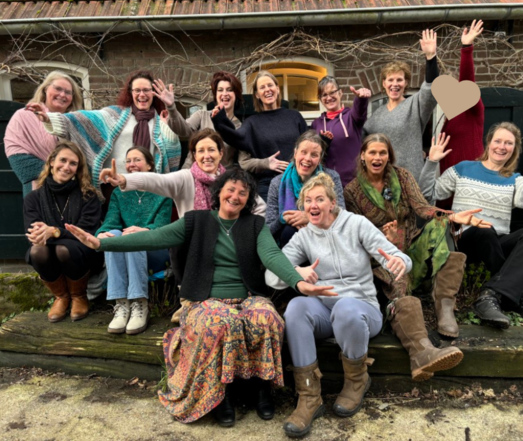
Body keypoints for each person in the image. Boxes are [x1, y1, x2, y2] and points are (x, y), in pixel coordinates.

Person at [66, 168, 335, 427]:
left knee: (267, 317)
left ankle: (261, 389)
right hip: (205, 300)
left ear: (249, 199)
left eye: (243, 193)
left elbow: (273, 256)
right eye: (231, 189)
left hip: (247, 297)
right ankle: (222, 395)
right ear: (219, 192)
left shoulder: (255, 225)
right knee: (221, 321)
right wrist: (102, 243)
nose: (235, 196)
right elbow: (154, 238)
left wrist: (299, 282)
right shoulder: (197, 220)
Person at [265, 173, 410, 437]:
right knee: (296, 306)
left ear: (332, 203)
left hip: (361, 311)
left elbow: (393, 255)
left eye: (319, 199)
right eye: (308, 201)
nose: (313, 205)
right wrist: (297, 272)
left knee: (345, 308)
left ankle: (357, 381)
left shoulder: (356, 224)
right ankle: (309, 396)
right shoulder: (304, 235)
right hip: (325, 312)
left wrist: (400, 262)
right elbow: (271, 276)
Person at [345, 132, 491, 341]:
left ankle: (444, 303)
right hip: (381, 258)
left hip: (412, 247)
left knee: (440, 223)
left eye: (383, 153)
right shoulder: (351, 191)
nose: (377, 158)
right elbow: (355, 233)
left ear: (389, 156)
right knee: (400, 289)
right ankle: (413, 334)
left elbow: (422, 208)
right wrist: (384, 239)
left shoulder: (402, 177)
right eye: (372, 153)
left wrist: (452, 216)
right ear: (363, 155)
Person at [419, 122, 523, 328]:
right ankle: (518, 298)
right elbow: (428, 195)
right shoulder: (464, 168)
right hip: (464, 238)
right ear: (488, 143)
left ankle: (491, 295)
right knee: (485, 230)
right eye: (498, 141)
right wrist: (431, 162)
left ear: (514, 149)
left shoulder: (514, 180)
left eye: (508, 143)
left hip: (495, 241)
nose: (502, 147)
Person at [99, 129, 266, 291]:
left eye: (211, 150)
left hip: (227, 241)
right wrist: (123, 179)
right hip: (196, 244)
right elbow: (158, 180)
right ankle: (186, 296)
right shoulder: (185, 177)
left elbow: (260, 207)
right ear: (194, 155)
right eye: (201, 151)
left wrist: (245, 232)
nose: (206, 155)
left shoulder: (231, 179)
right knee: (181, 236)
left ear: (221, 153)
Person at [26, 70, 181, 194]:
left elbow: (172, 152)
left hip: (149, 190)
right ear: (130, 93)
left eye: (147, 90)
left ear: (154, 93)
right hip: (113, 188)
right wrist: (49, 118)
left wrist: (169, 119)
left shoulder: (162, 121)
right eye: (137, 90)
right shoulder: (114, 115)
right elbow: (81, 120)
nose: (142, 94)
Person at [96, 146, 172, 335]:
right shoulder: (118, 193)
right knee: (114, 234)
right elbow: (110, 222)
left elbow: (164, 227)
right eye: (128, 161)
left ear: (150, 165)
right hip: (128, 250)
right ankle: (121, 304)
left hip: (156, 249)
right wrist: (101, 234)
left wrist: (145, 230)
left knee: (132, 237)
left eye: (137, 160)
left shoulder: (163, 191)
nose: (132, 165)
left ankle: (140, 303)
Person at [24, 141, 102, 323]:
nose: (66, 167)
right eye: (63, 160)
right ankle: (61, 297)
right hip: (50, 256)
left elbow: (87, 233)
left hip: (84, 255)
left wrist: (55, 232)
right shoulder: (33, 198)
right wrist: (42, 234)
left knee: (64, 249)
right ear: (52, 161)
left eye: (73, 163)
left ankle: (78, 296)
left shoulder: (88, 195)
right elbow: (34, 233)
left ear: (78, 168)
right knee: (37, 250)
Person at [154, 71, 285, 173]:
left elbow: (244, 162)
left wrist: (266, 163)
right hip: (191, 175)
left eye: (229, 90)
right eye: (220, 90)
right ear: (215, 95)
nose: (225, 94)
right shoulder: (202, 116)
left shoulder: (240, 127)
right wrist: (171, 107)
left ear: (236, 95)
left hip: (221, 181)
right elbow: (183, 131)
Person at [212, 70, 307, 200]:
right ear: (257, 95)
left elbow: (309, 144)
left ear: (277, 89)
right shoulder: (252, 122)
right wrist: (219, 120)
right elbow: (235, 137)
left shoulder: (294, 116)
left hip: (298, 179)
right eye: (262, 87)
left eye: (270, 85)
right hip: (267, 184)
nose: (267, 90)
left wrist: (324, 140)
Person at [363, 29, 439, 177]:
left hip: (412, 178)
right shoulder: (376, 115)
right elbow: (360, 137)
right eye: (390, 80)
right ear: (384, 84)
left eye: (399, 80)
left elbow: (430, 89)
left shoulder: (415, 105)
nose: (395, 84)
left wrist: (431, 57)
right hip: (385, 179)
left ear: (406, 83)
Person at [4, 71, 83, 196]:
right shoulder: (23, 116)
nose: (62, 94)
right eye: (57, 88)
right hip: (39, 189)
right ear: (46, 89)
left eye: (68, 92)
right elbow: (18, 159)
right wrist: (59, 172)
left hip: (78, 190)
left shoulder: (79, 121)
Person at [266, 131, 344, 246]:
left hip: (324, 240)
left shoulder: (332, 177)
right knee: (289, 230)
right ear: (295, 153)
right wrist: (283, 219)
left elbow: (341, 215)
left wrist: (310, 217)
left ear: (319, 159)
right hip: (289, 244)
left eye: (314, 155)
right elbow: (268, 230)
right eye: (303, 152)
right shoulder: (277, 183)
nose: (307, 159)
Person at [439, 20, 485, 174]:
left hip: (471, 179)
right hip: (449, 183)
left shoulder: (473, 109)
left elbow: (467, 81)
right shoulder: (449, 116)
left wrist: (466, 48)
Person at [310, 76, 371, 186]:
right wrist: (323, 143)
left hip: (355, 182)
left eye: (332, 92)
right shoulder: (316, 124)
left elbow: (360, 110)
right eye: (324, 95)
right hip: (328, 185)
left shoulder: (352, 117)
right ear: (320, 99)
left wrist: (361, 98)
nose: (329, 97)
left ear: (340, 93)